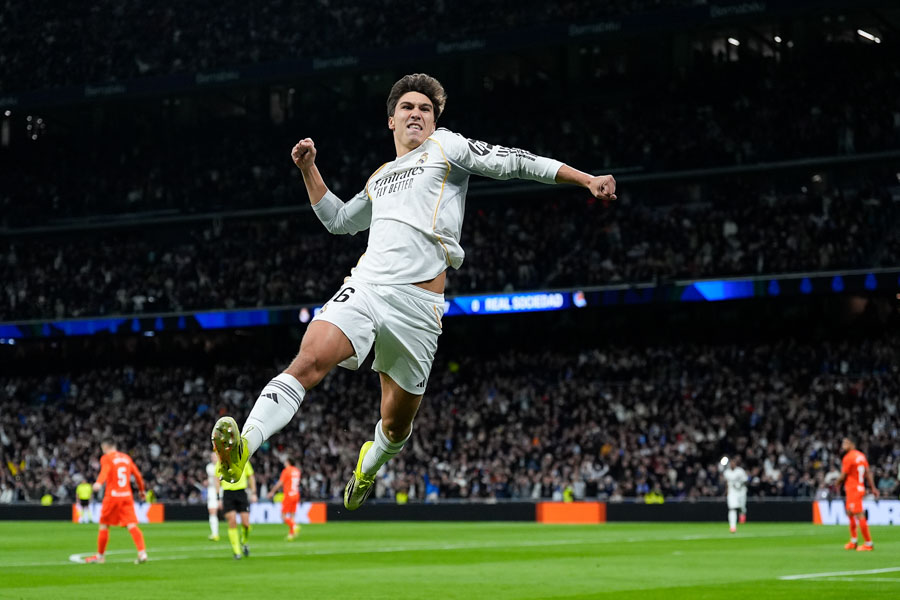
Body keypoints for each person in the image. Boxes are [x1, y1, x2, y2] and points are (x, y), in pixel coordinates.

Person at [211, 73, 617, 511]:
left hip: (419, 310)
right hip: (367, 287)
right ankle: (242, 450)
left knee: (396, 424)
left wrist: (585, 179)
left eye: (426, 108)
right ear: (391, 120)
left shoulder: (448, 147)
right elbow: (339, 220)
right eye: (408, 107)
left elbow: (517, 161)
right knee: (310, 357)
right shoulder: (380, 177)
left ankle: (367, 467)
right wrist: (309, 169)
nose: (417, 114)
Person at [83, 441, 148, 564]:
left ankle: (100, 557)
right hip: (126, 496)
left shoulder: (107, 458)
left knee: (104, 525)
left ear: (106, 447)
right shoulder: (126, 458)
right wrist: (141, 491)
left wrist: (99, 482)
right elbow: (138, 475)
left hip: (112, 496)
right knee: (131, 525)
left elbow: (105, 471)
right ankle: (142, 553)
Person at [838, 437, 879, 551]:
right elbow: (867, 473)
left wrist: (836, 483)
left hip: (853, 488)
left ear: (852, 444)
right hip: (859, 487)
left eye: (845, 443)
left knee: (859, 514)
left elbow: (843, 475)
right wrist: (873, 487)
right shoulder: (861, 456)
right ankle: (854, 541)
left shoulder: (848, 457)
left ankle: (868, 543)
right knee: (850, 512)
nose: (843, 445)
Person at [221, 460, 256, 559]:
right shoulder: (222, 460)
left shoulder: (244, 461)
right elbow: (216, 477)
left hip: (241, 493)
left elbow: (251, 476)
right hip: (228, 493)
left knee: (246, 524)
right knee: (232, 521)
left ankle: (244, 541)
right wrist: (218, 497)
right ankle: (237, 552)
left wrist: (253, 493)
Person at [266, 456, 301, 540]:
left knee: (283, 516)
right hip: (296, 494)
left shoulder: (286, 471)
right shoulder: (297, 471)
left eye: (285, 462)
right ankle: (291, 534)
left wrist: (272, 492)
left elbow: (280, 483)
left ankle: (294, 525)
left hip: (289, 495)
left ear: (288, 462)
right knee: (292, 516)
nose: (284, 463)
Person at [722, 456, 748, 533]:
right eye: (731, 463)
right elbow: (726, 483)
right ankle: (732, 527)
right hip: (732, 492)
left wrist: (740, 484)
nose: (732, 464)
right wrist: (726, 493)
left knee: (741, 508)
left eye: (733, 463)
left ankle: (742, 514)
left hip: (741, 491)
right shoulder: (726, 472)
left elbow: (746, 480)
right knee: (732, 508)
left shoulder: (740, 471)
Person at [205, 451, 223, 541]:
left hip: (222, 490)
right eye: (212, 457)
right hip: (212, 491)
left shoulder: (222, 466)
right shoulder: (209, 467)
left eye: (215, 457)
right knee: (212, 511)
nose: (213, 458)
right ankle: (215, 534)